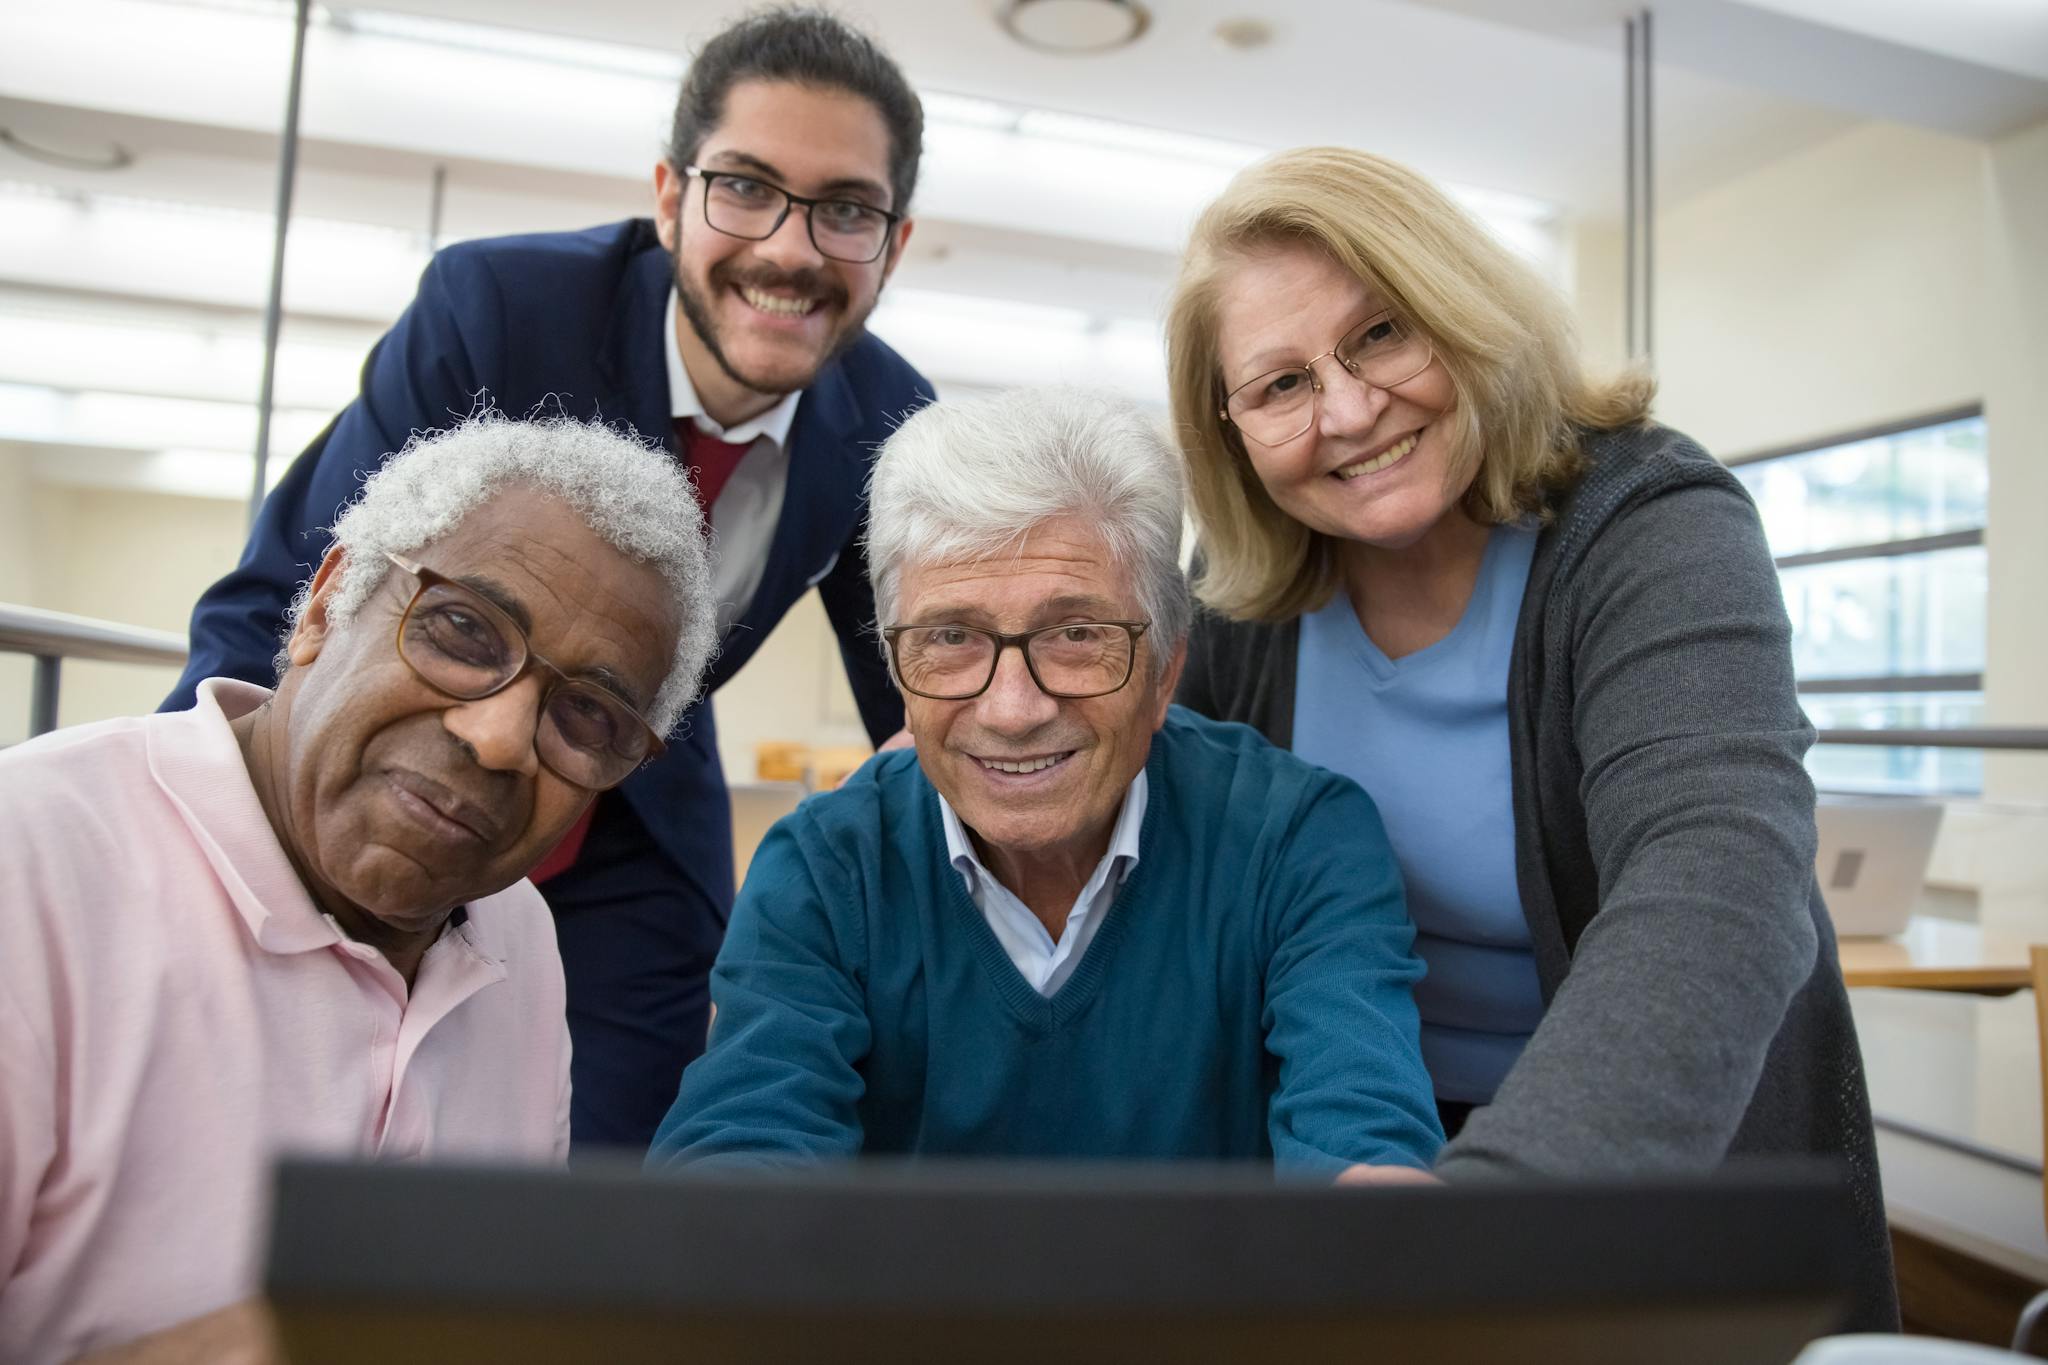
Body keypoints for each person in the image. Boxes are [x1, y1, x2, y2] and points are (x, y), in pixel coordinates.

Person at [162, 8, 934, 1151]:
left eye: (846, 211)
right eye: (746, 189)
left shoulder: (887, 424)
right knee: (271, 1093)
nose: (791, 248)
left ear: (893, 243)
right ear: (670, 196)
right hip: (407, 747)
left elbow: (921, 695)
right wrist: (194, 870)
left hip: (620, 808)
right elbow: (302, 584)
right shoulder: (503, 310)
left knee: (612, 1158)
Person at [1164, 146, 1896, 1327]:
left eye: (1381, 334)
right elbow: (1094, 779)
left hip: (1643, 1150)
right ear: (1230, 431)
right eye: (1280, 385)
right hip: (1355, 1150)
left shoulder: (1646, 523)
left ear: (1461, 312)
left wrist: (1488, 1225)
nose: (1347, 411)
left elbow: (1713, 880)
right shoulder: (1237, 605)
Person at [0, 416, 716, 1365]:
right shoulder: (32, 864)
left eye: (587, 713)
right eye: (463, 629)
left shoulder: (519, 939)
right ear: (325, 605)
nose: (498, 737)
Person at [648, 388, 1442, 1176]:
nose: (1014, 708)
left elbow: (1363, 1143)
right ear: (897, 669)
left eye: (1077, 634)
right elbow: (738, 1155)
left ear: (1166, 671)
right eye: (952, 637)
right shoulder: (826, 867)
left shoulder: (1300, 840)